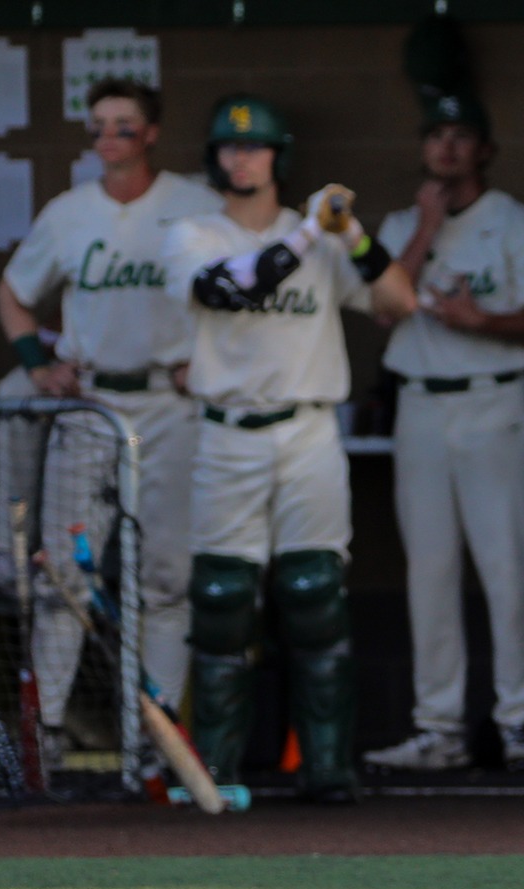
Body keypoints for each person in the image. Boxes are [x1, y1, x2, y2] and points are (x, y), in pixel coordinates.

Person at [160, 94, 417, 803]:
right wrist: (311, 231)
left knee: (314, 592)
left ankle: (327, 767)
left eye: (256, 147)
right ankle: (213, 774)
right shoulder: (192, 234)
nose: (242, 158)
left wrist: (353, 234)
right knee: (222, 597)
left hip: (307, 430)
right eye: (230, 146)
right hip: (226, 431)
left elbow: (399, 301)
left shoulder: (322, 239)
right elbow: (233, 289)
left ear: (280, 156)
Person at [0, 78, 222, 763]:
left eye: (124, 124)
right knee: (63, 575)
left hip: (170, 404)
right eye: (98, 125)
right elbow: (12, 293)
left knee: (167, 576)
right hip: (91, 404)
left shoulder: (195, 205)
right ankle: (47, 732)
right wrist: (38, 366)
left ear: (151, 133)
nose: (109, 137)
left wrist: (213, 357)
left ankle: (156, 735)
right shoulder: (69, 212)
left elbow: (240, 292)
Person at [359, 93, 524, 773]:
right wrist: (426, 226)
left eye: (460, 135)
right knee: (430, 573)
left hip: (494, 403)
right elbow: (386, 309)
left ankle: (521, 723)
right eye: (436, 135)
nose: (446, 147)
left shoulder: (512, 221)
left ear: (484, 149)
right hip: (420, 407)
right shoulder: (400, 224)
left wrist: (483, 323)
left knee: (507, 569)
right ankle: (438, 727)